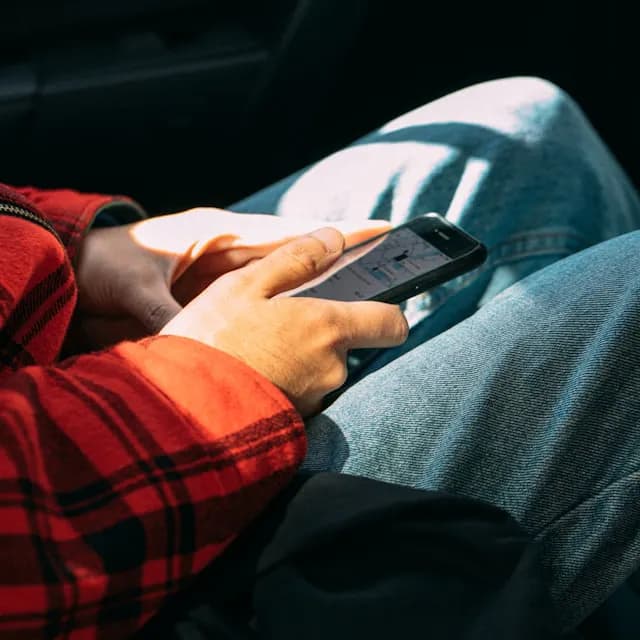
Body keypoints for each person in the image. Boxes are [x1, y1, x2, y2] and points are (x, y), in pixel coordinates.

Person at [1, 75, 639, 637]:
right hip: (123, 530)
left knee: (531, 137)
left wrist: (71, 250)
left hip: (77, 393)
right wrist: (215, 378)